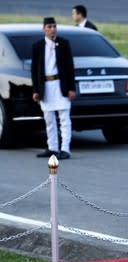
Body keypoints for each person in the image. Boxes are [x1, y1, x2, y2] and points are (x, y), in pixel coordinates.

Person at [31, 17, 76, 160]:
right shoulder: (37, 46)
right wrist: (36, 90)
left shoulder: (63, 44)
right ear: (44, 28)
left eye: (54, 26)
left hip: (60, 85)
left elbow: (70, 67)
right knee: (49, 120)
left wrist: (71, 88)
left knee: (64, 119)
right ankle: (52, 147)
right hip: (46, 86)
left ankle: (65, 149)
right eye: (49, 26)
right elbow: (34, 70)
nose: (52, 29)